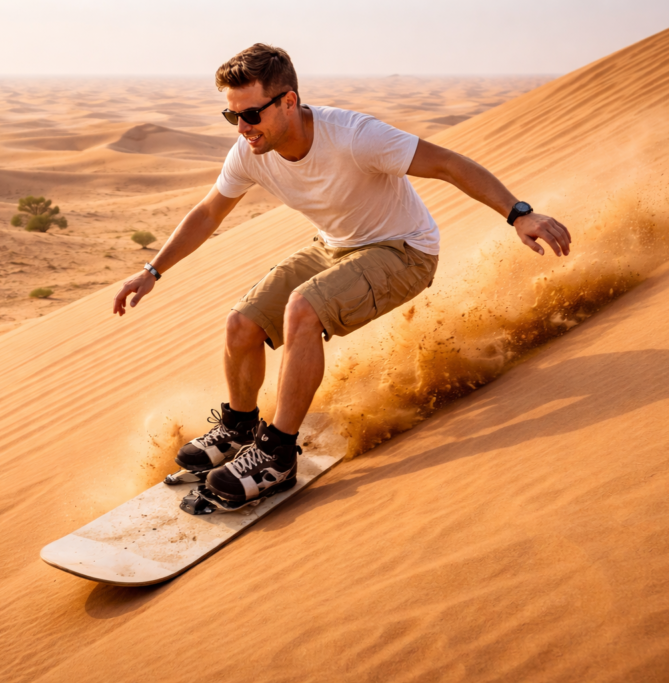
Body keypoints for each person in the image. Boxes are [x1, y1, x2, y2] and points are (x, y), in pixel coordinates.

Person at [112, 44, 571, 509]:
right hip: (335, 247)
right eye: (232, 117)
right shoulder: (251, 150)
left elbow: (449, 164)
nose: (243, 127)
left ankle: (276, 455)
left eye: (251, 113)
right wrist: (153, 270)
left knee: (302, 309)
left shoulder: (354, 136)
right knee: (241, 324)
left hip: (405, 250)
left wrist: (519, 214)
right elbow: (209, 211)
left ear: (288, 101)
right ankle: (240, 426)